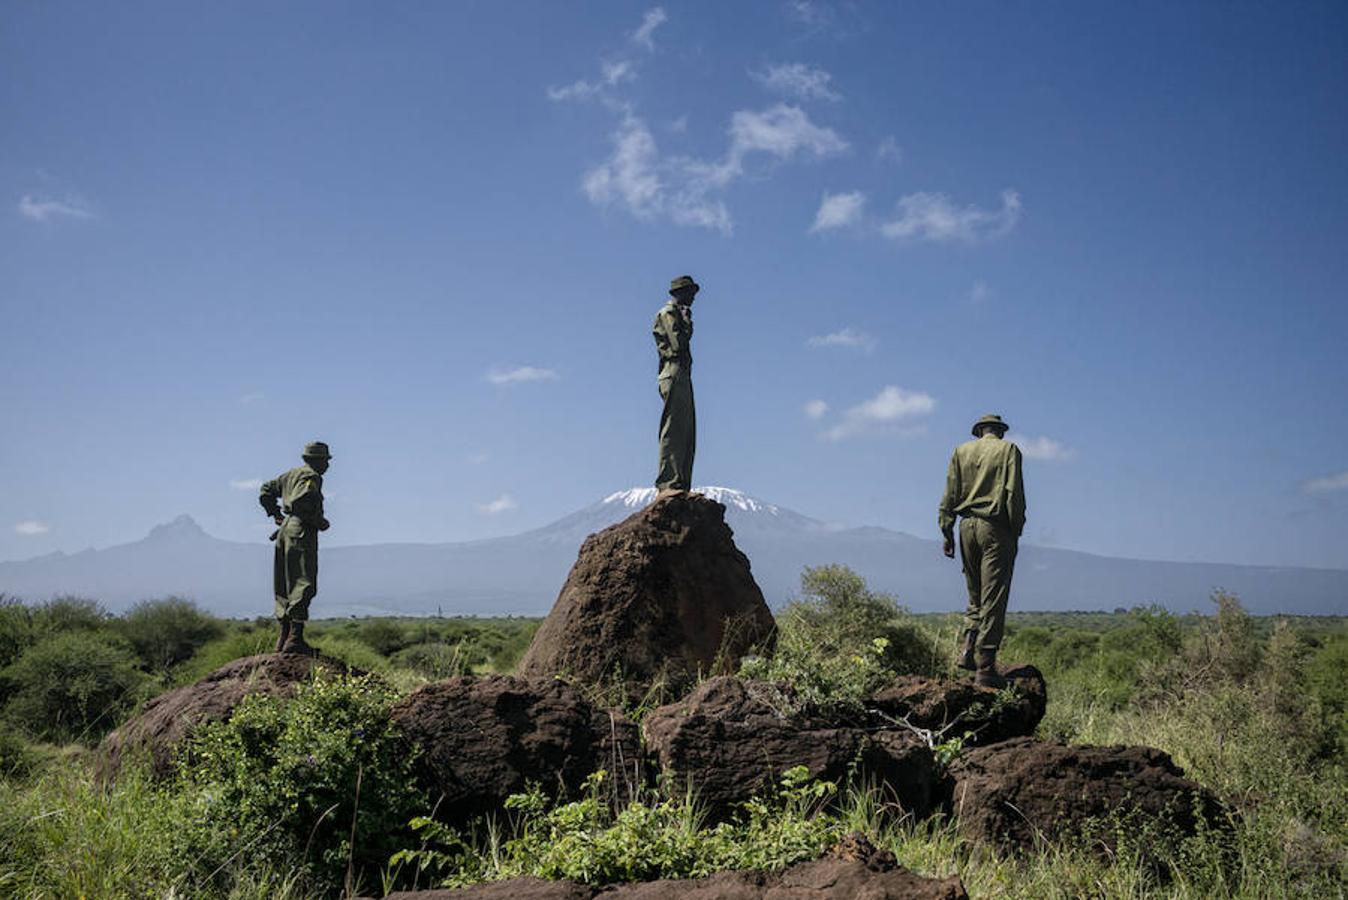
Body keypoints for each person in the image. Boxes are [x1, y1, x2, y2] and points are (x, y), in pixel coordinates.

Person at [938, 415, 1026, 687]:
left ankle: (967, 650)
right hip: (995, 527)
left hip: (966, 528)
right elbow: (1014, 494)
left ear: (978, 432)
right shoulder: (1008, 449)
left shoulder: (961, 451)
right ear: (999, 432)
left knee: (975, 594)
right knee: (994, 597)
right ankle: (986, 666)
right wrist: (1015, 529)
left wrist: (947, 530)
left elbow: (949, 494)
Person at [259, 441, 332, 654]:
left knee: (284, 582)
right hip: (300, 530)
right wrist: (319, 521)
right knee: (303, 580)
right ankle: (294, 638)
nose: (328, 465)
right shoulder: (311, 477)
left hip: (285, 531)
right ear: (317, 460)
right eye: (326, 460)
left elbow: (265, 490)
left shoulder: (290, 475)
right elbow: (301, 501)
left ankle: (283, 638)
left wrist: (275, 514)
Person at [652, 275, 698, 493]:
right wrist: (687, 323)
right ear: (680, 293)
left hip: (682, 373)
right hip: (673, 371)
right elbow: (678, 344)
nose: (693, 298)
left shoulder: (676, 313)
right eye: (690, 293)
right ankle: (669, 481)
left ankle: (681, 481)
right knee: (674, 428)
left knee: (687, 429)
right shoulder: (669, 313)